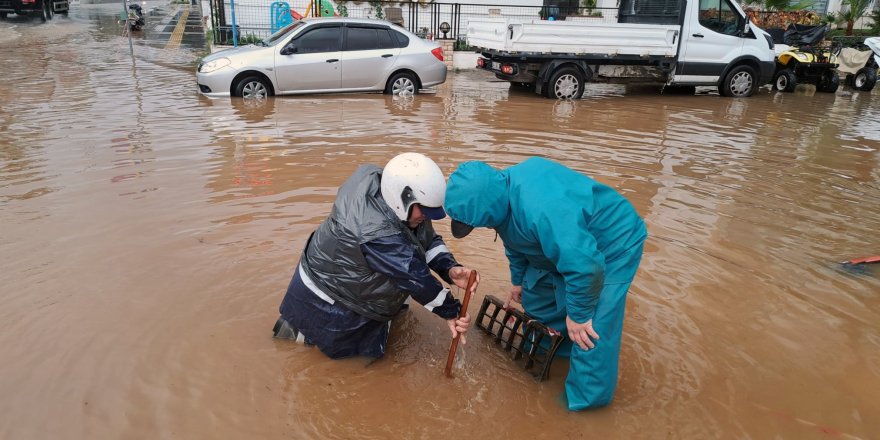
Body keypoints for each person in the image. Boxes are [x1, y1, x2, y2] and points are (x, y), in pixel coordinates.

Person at [444, 157, 647, 410]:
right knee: (536, 296)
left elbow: (586, 266)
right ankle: (554, 352)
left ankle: (583, 404)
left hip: (610, 245)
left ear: (488, 212)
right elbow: (514, 241)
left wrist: (580, 315)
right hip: (571, 247)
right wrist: (518, 281)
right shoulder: (499, 193)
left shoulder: (542, 209)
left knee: (590, 332)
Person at [273, 152, 478, 360]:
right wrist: (452, 311)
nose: (426, 217)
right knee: (343, 362)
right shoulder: (376, 232)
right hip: (330, 304)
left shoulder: (398, 200)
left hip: (354, 286)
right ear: (402, 198)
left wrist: (449, 269)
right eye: (424, 210)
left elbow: (426, 240)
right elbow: (414, 277)